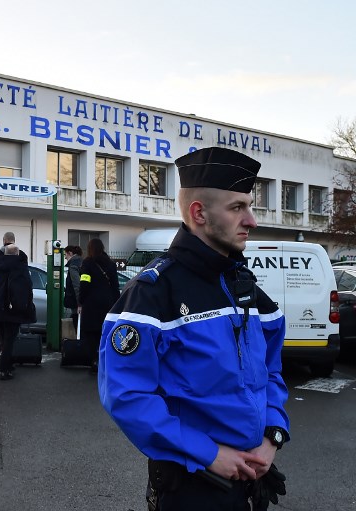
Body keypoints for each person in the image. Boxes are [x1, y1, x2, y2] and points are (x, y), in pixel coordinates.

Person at [98, 147, 290, 511]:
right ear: (198, 213)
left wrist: (272, 436)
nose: (251, 220)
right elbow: (126, 396)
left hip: (250, 479)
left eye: (249, 206)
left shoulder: (245, 287)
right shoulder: (152, 294)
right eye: (237, 208)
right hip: (192, 486)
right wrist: (210, 453)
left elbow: (272, 373)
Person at [0, 244, 35, 380]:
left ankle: (8, 365)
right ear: (17, 254)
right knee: (10, 339)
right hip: (15, 309)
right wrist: (27, 304)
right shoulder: (22, 268)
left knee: (5, 337)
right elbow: (28, 287)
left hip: (0, 308)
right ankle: (4, 369)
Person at [78, 239, 120, 372]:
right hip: (108, 304)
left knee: (91, 334)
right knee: (106, 332)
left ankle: (94, 361)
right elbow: (115, 286)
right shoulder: (111, 264)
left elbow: (84, 283)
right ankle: (105, 360)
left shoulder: (87, 263)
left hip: (91, 303)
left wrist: (80, 301)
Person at [63, 245, 83, 332]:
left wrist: (79, 303)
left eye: (65, 255)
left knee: (76, 321)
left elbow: (76, 285)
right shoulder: (82, 262)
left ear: (70, 253)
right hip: (83, 299)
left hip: (75, 301)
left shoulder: (73, 265)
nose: (65, 258)